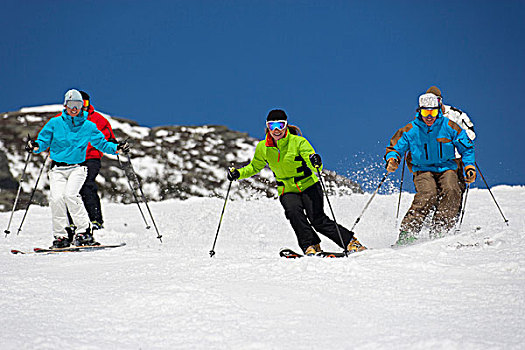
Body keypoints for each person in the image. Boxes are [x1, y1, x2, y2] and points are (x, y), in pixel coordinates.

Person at [227, 109, 366, 255]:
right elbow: (254, 167)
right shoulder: (263, 148)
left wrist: (315, 161)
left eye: (280, 125)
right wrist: (238, 173)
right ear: (267, 126)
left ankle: (351, 242)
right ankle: (311, 246)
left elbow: (311, 159)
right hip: (287, 189)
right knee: (294, 213)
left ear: (286, 125)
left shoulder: (298, 142)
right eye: (272, 125)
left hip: (309, 185)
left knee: (317, 219)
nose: (276, 129)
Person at [25, 89, 130, 248]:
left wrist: (117, 148)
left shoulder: (88, 126)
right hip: (57, 169)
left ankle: (84, 231)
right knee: (56, 199)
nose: (74, 108)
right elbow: (43, 140)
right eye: (71, 104)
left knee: (71, 195)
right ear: (65, 105)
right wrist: (36, 146)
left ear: (82, 106)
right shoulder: (55, 123)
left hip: (78, 167)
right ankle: (61, 236)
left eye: (78, 105)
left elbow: (102, 143)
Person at [385, 93, 476, 245]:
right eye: (425, 112)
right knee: (428, 193)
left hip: (447, 167)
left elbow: (466, 148)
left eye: (432, 112)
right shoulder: (411, 130)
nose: (429, 116)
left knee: (452, 189)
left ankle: (441, 229)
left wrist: (469, 166)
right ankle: (408, 233)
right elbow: (395, 147)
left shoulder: (449, 126)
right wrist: (393, 159)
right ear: (419, 111)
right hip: (423, 169)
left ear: (438, 110)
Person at [77, 90, 116, 230]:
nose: (83, 107)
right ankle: (73, 223)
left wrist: (113, 143)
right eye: (79, 104)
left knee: (87, 185)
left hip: (90, 157)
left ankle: (95, 221)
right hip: (69, 159)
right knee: (69, 191)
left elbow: (107, 136)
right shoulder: (63, 119)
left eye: (85, 103)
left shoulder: (98, 119)